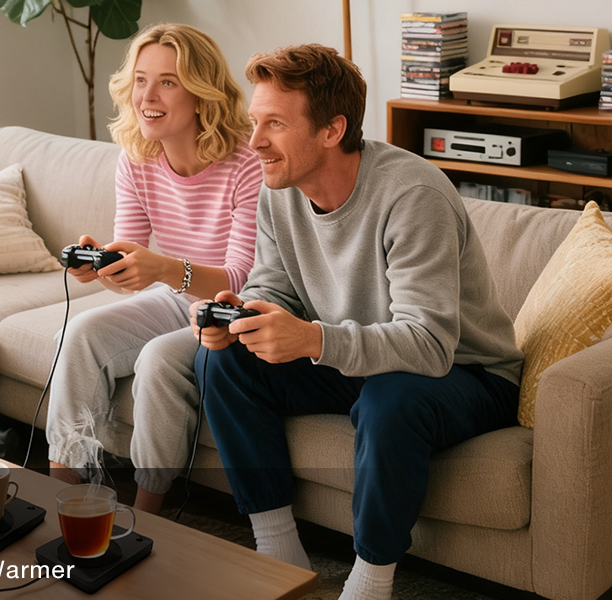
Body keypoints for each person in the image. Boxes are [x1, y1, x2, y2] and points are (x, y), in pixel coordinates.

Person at [192, 44, 524, 600]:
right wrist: (243, 315)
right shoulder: (278, 190)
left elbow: (429, 345)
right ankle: (277, 551)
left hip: (468, 373)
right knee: (220, 359)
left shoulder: (412, 195)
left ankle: (371, 580)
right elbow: (274, 285)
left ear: (331, 129)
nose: (254, 143)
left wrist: (313, 338)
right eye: (255, 122)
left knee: (389, 400)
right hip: (357, 356)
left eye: (274, 123)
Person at [46, 23, 263, 514]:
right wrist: (102, 267)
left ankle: (147, 515)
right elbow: (132, 257)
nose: (148, 94)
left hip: (230, 313)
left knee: (156, 361)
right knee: (81, 332)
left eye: (168, 81)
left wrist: (163, 269)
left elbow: (240, 279)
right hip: (174, 297)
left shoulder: (247, 164)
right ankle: (58, 494)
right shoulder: (137, 157)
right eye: (141, 79)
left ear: (201, 94)